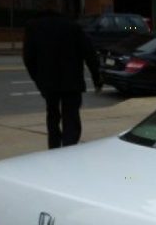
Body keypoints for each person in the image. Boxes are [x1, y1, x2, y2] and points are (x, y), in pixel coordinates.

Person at [23, 9, 102, 149]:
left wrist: (38, 80)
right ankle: (69, 147)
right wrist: (97, 79)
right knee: (71, 117)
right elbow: (89, 53)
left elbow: (28, 58)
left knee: (52, 116)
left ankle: (54, 146)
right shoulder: (73, 27)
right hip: (71, 81)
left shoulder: (33, 27)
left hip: (48, 81)